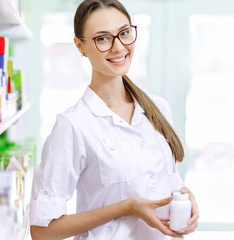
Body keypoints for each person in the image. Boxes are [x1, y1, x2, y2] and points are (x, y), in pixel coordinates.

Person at [30, 0, 199, 239]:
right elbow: (43, 231)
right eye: (102, 38)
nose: (118, 47)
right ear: (80, 45)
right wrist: (126, 207)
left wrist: (185, 198)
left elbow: (167, 183)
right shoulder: (73, 126)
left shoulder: (158, 108)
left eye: (124, 33)